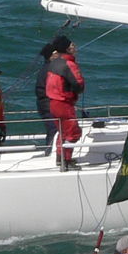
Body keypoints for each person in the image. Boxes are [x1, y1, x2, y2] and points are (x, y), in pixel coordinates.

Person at [44, 36, 85, 165]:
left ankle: (60, 158)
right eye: (72, 45)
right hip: (64, 103)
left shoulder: (53, 63)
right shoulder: (69, 64)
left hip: (53, 102)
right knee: (73, 132)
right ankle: (66, 160)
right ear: (67, 49)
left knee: (62, 132)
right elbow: (79, 85)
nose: (74, 47)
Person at [34, 35, 70, 152]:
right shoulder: (50, 69)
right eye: (56, 53)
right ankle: (50, 153)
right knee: (54, 130)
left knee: (54, 130)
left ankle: (52, 152)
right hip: (49, 106)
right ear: (51, 55)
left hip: (47, 105)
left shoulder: (48, 68)